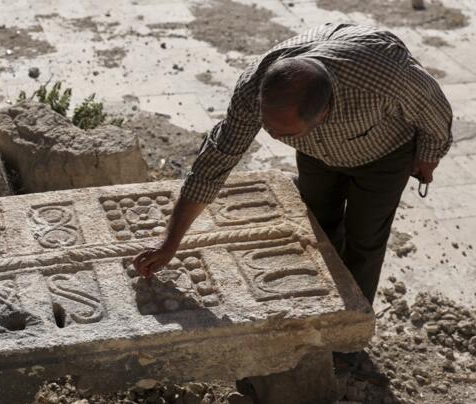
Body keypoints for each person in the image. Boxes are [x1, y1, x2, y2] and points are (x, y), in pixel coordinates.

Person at [132, 23, 452, 304]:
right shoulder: (255, 89)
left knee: (365, 240)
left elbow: (434, 108)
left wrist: (429, 155)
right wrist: (169, 243)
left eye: (283, 133)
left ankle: (349, 334)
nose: (270, 135)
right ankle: (324, 302)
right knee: (319, 223)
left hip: (383, 154)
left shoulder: (385, 75)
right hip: (317, 154)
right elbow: (213, 165)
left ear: (325, 114)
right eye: (267, 126)